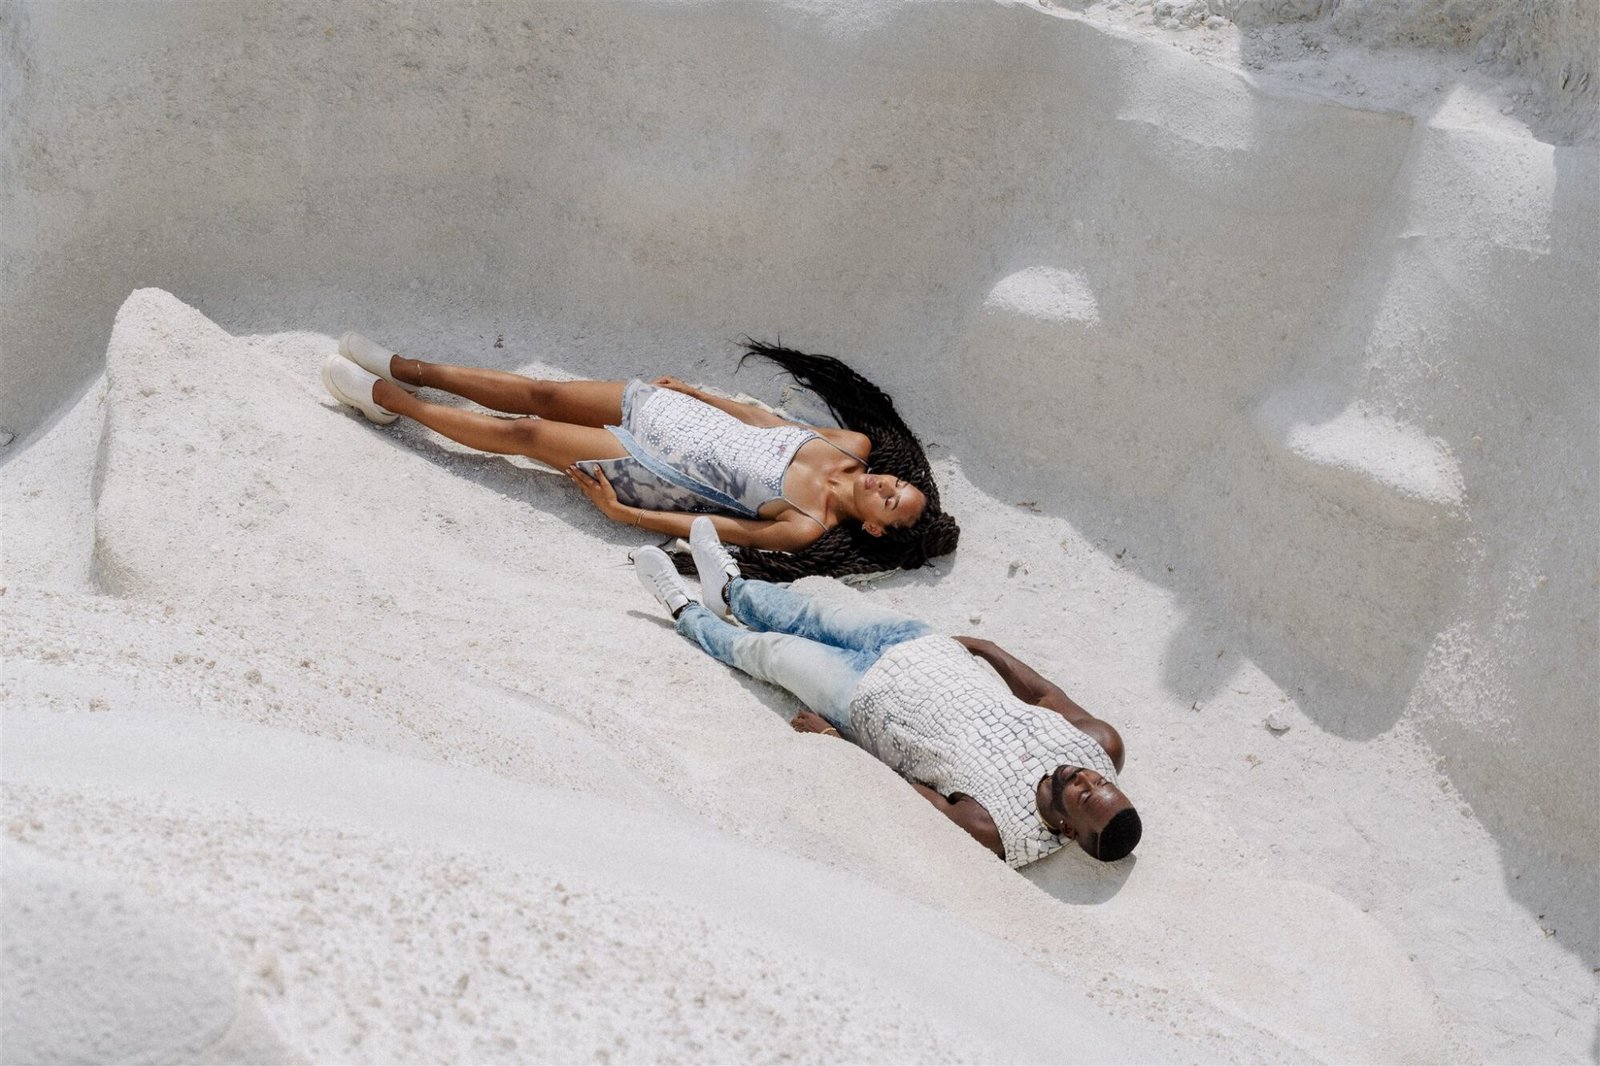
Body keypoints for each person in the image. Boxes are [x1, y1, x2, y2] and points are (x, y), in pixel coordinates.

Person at [632, 518, 1143, 868]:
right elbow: (1042, 694)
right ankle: (729, 590)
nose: (1084, 775)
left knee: (768, 654)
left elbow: (906, 796)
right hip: (920, 648)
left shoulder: (998, 831)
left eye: (1082, 794)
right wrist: (987, 648)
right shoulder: (1100, 744)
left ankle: (685, 613)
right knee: (808, 613)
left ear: (1072, 831)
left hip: (864, 702)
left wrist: (836, 741)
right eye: (1098, 780)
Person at [321, 334, 959, 580]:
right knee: (543, 390)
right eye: (895, 484)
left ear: (875, 526)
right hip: (675, 415)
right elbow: (767, 422)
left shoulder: (806, 525)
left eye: (890, 501)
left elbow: (706, 528)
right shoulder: (851, 447)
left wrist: (626, 516)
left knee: (525, 433)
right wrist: (696, 392)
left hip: (653, 470)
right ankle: (406, 366)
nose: (884, 485)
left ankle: (389, 401)